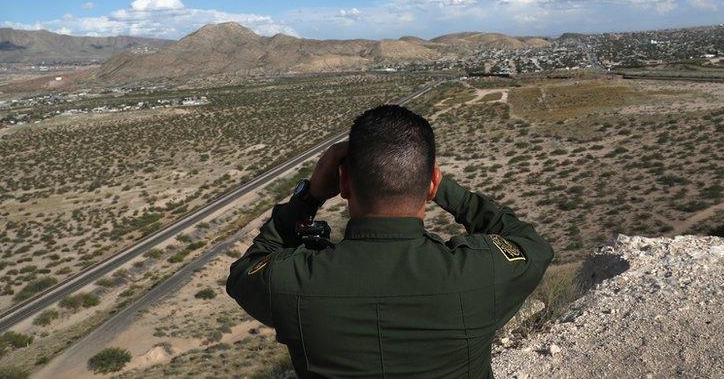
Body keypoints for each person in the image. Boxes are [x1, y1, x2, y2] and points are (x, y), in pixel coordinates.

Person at [226, 104, 553, 378]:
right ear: (431, 184)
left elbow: (248, 269)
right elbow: (532, 245)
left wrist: (309, 196)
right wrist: (447, 192)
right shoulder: (481, 273)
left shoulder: (289, 283)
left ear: (343, 182)